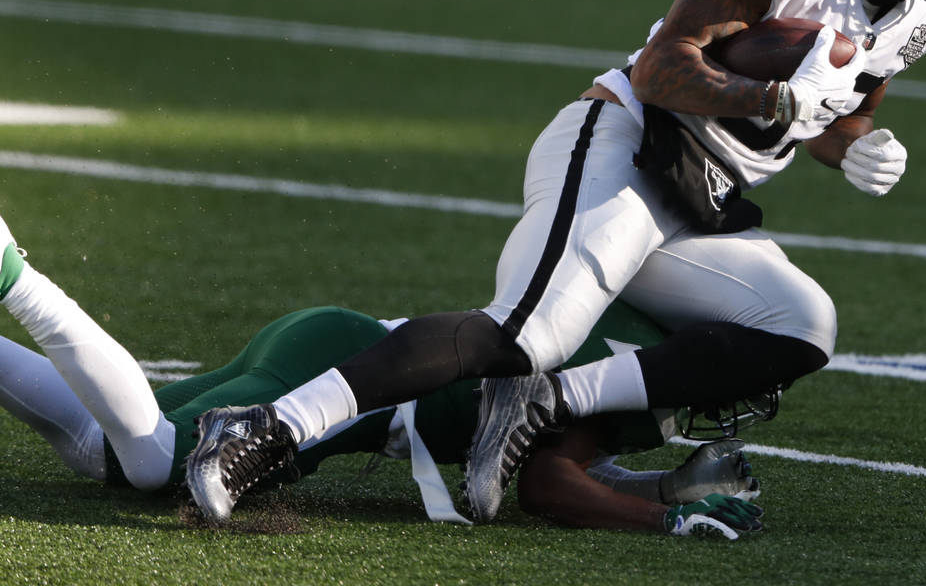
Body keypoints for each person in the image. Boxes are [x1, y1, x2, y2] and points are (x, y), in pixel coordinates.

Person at [187, 0, 926, 524]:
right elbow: (660, 69)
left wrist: (851, 142)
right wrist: (777, 101)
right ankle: (267, 425)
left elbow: (843, 101)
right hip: (626, 143)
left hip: (700, 200)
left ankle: (549, 404)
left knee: (800, 324)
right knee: (525, 331)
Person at [0, 214, 762, 538]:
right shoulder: (641, 365)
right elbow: (547, 484)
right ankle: (13, 277)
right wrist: (663, 518)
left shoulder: (626, 318)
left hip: (340, 341)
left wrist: (664, 488)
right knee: (151, 464)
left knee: (99, 448)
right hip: (344, 382)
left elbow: (557, 455)